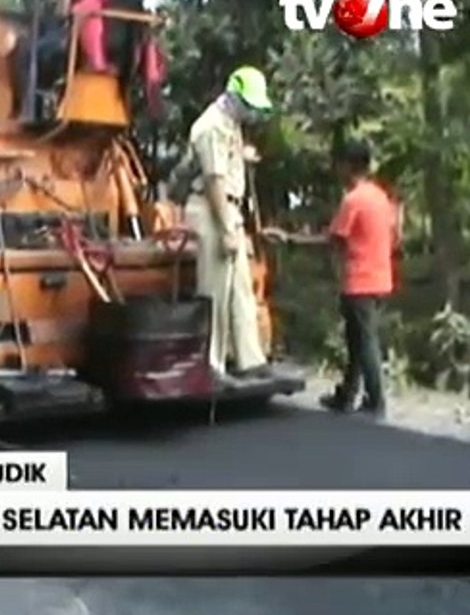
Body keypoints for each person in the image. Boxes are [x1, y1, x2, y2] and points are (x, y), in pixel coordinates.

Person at [263, 139, 398, 415]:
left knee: (364, 340)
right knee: (357, 339)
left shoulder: (354, 199)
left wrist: (289, 239)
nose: (336, 171)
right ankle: (347, 394)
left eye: (339, 164)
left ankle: (375, 399)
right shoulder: (379, 196)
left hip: (360, 280)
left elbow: (332, 240)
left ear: (348, 166)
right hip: (381, 277)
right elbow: (394, 236)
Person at [166, 66, 278, 386]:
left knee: (240, 287)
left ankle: (249, 358)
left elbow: (226, 159)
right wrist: (227, 229)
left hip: (230, 210)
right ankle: (210, 363)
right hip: (212, 209)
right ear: (233, 97)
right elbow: (214, 180)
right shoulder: (211, 126)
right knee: (215, 290)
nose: (254, 114)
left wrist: (243, 155)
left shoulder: (230, 124)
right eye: (250, 106)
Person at [15, 0, 128, 119]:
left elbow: (63, 11)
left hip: (81, 42)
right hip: (120, 48)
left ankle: (32, 115)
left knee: (27, 55)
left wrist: (54, 8)